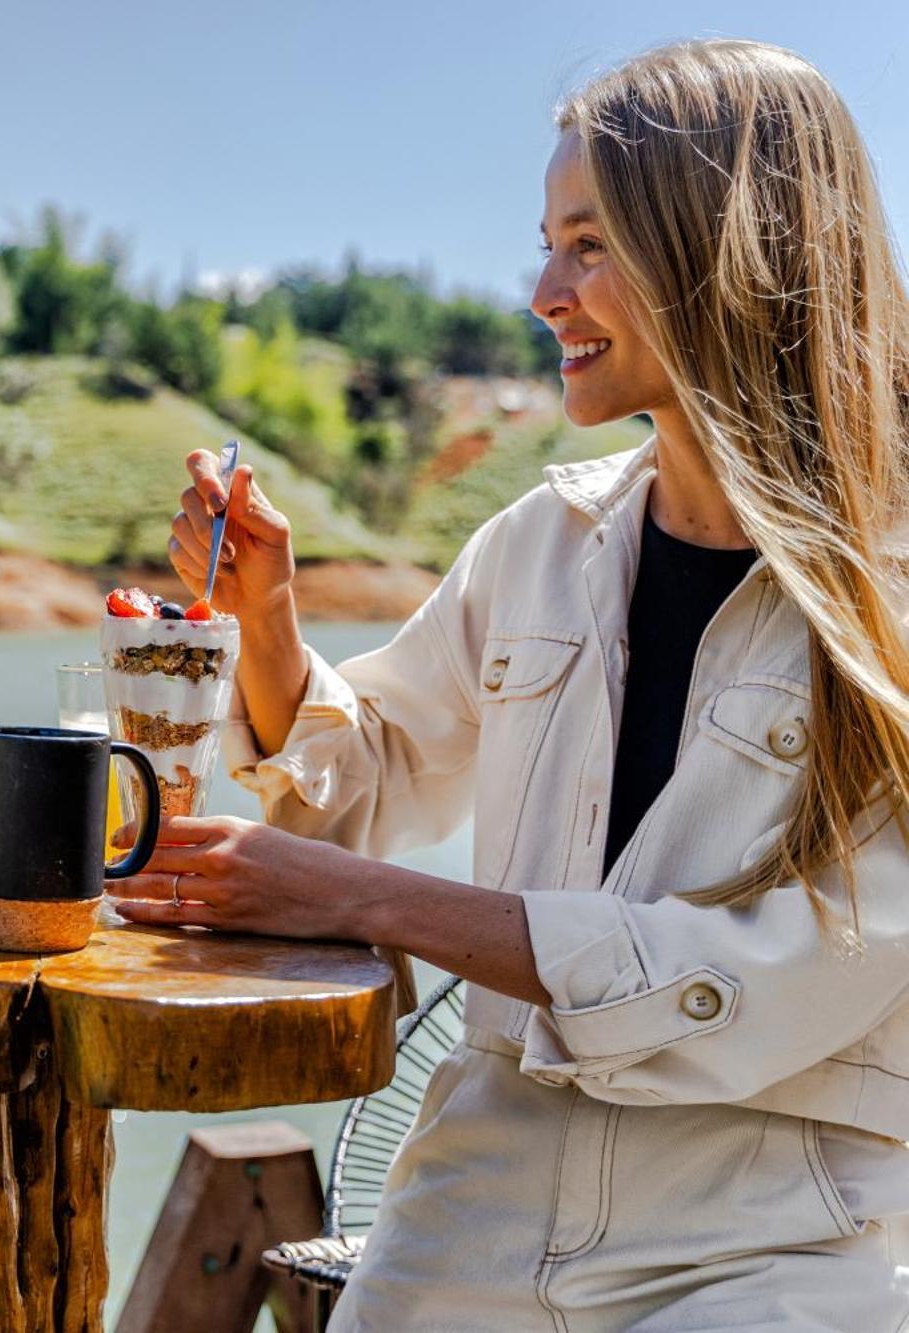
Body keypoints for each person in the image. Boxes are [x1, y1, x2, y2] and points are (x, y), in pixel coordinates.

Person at [119, 40, 909, 1328]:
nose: (543, 291)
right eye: (546, 242)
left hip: (775, 1244)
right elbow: (364, 776)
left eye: (588, 244)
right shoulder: (540, 544)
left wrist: (364, 898)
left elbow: (784, 971)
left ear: (727, 250)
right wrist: (266, 622)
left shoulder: (889, 593)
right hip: (469, 1207)